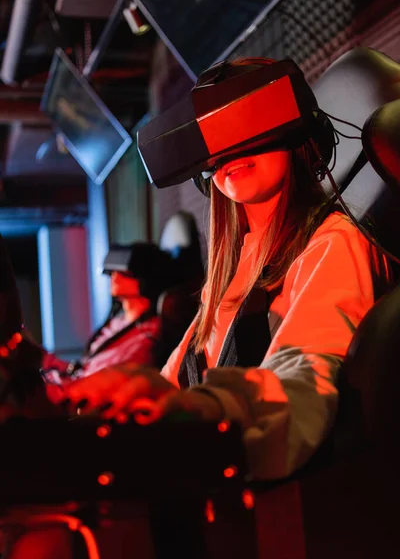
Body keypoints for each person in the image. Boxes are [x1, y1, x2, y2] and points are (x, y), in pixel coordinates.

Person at [58, 57, 390, 481]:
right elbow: (175, 380)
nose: (232, 149)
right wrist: (129, 393)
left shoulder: (332, 243)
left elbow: (306, 375)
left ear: (299, 134)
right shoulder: (230, 273)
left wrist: (214, 411)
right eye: (216, 137)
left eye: (251, 124)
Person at [41, 241, 177, 403]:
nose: (113, 275)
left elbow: (116, 378)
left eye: (123, 272)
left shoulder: (148, 336)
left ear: (144, 279)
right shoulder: (117, 322)